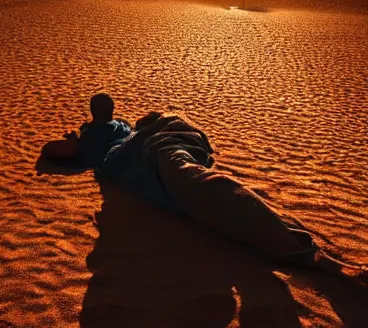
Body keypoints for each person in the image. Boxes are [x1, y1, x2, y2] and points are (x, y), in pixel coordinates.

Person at [96, 112, 367, 284]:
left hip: (167, 152)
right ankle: (300, 248)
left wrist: (145, 132)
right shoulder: (124, 140)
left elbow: (178, 124)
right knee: (204, 195)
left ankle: (308, 254)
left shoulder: (148, 129)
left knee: (198, 183)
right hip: (159, 158)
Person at [41, 93, 132, 168]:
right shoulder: (123, 127)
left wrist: (74, 139)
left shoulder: (90, 133)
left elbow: (50, 149)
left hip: (96, 159)